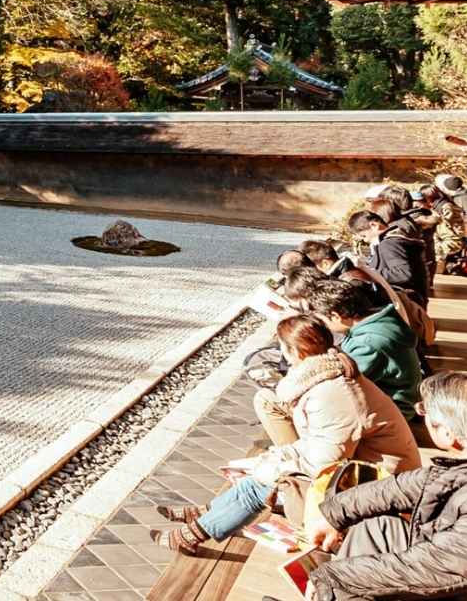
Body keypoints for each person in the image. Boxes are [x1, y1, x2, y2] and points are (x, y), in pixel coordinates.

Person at [153, 315, 420, 555]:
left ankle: (194, 533)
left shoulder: (333, 393)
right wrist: (278, 457)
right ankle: (207, 515)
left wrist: (278, 463)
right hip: (365, 473)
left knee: (262, 483)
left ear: (295, 351)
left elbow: (325, 461)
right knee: (265, 469)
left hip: (378, 490)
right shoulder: (328, 375)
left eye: (283, 347)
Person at [302, 371, 467, 601]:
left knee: (357, 580)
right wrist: (332, 514)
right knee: (378, 528)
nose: (421, 414)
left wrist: (334, 576)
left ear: (449, 435)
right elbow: (404, 486)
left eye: (424, 411)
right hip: (464, 570)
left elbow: (431, 569)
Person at [308, 278, 422, 415]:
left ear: (335, 316)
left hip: (396, 409)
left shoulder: (367, 343)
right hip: (402, 399)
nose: (325, 327)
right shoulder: (381, 322)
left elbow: (345, 383)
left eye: (324, 321)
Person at [348, 210, 430, 307]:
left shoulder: (389, 244)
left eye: (363, 236)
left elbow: (402, 273)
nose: (365, 240)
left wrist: (369, 274)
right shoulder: (392, 240)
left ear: (374, 225)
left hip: (404, 302)